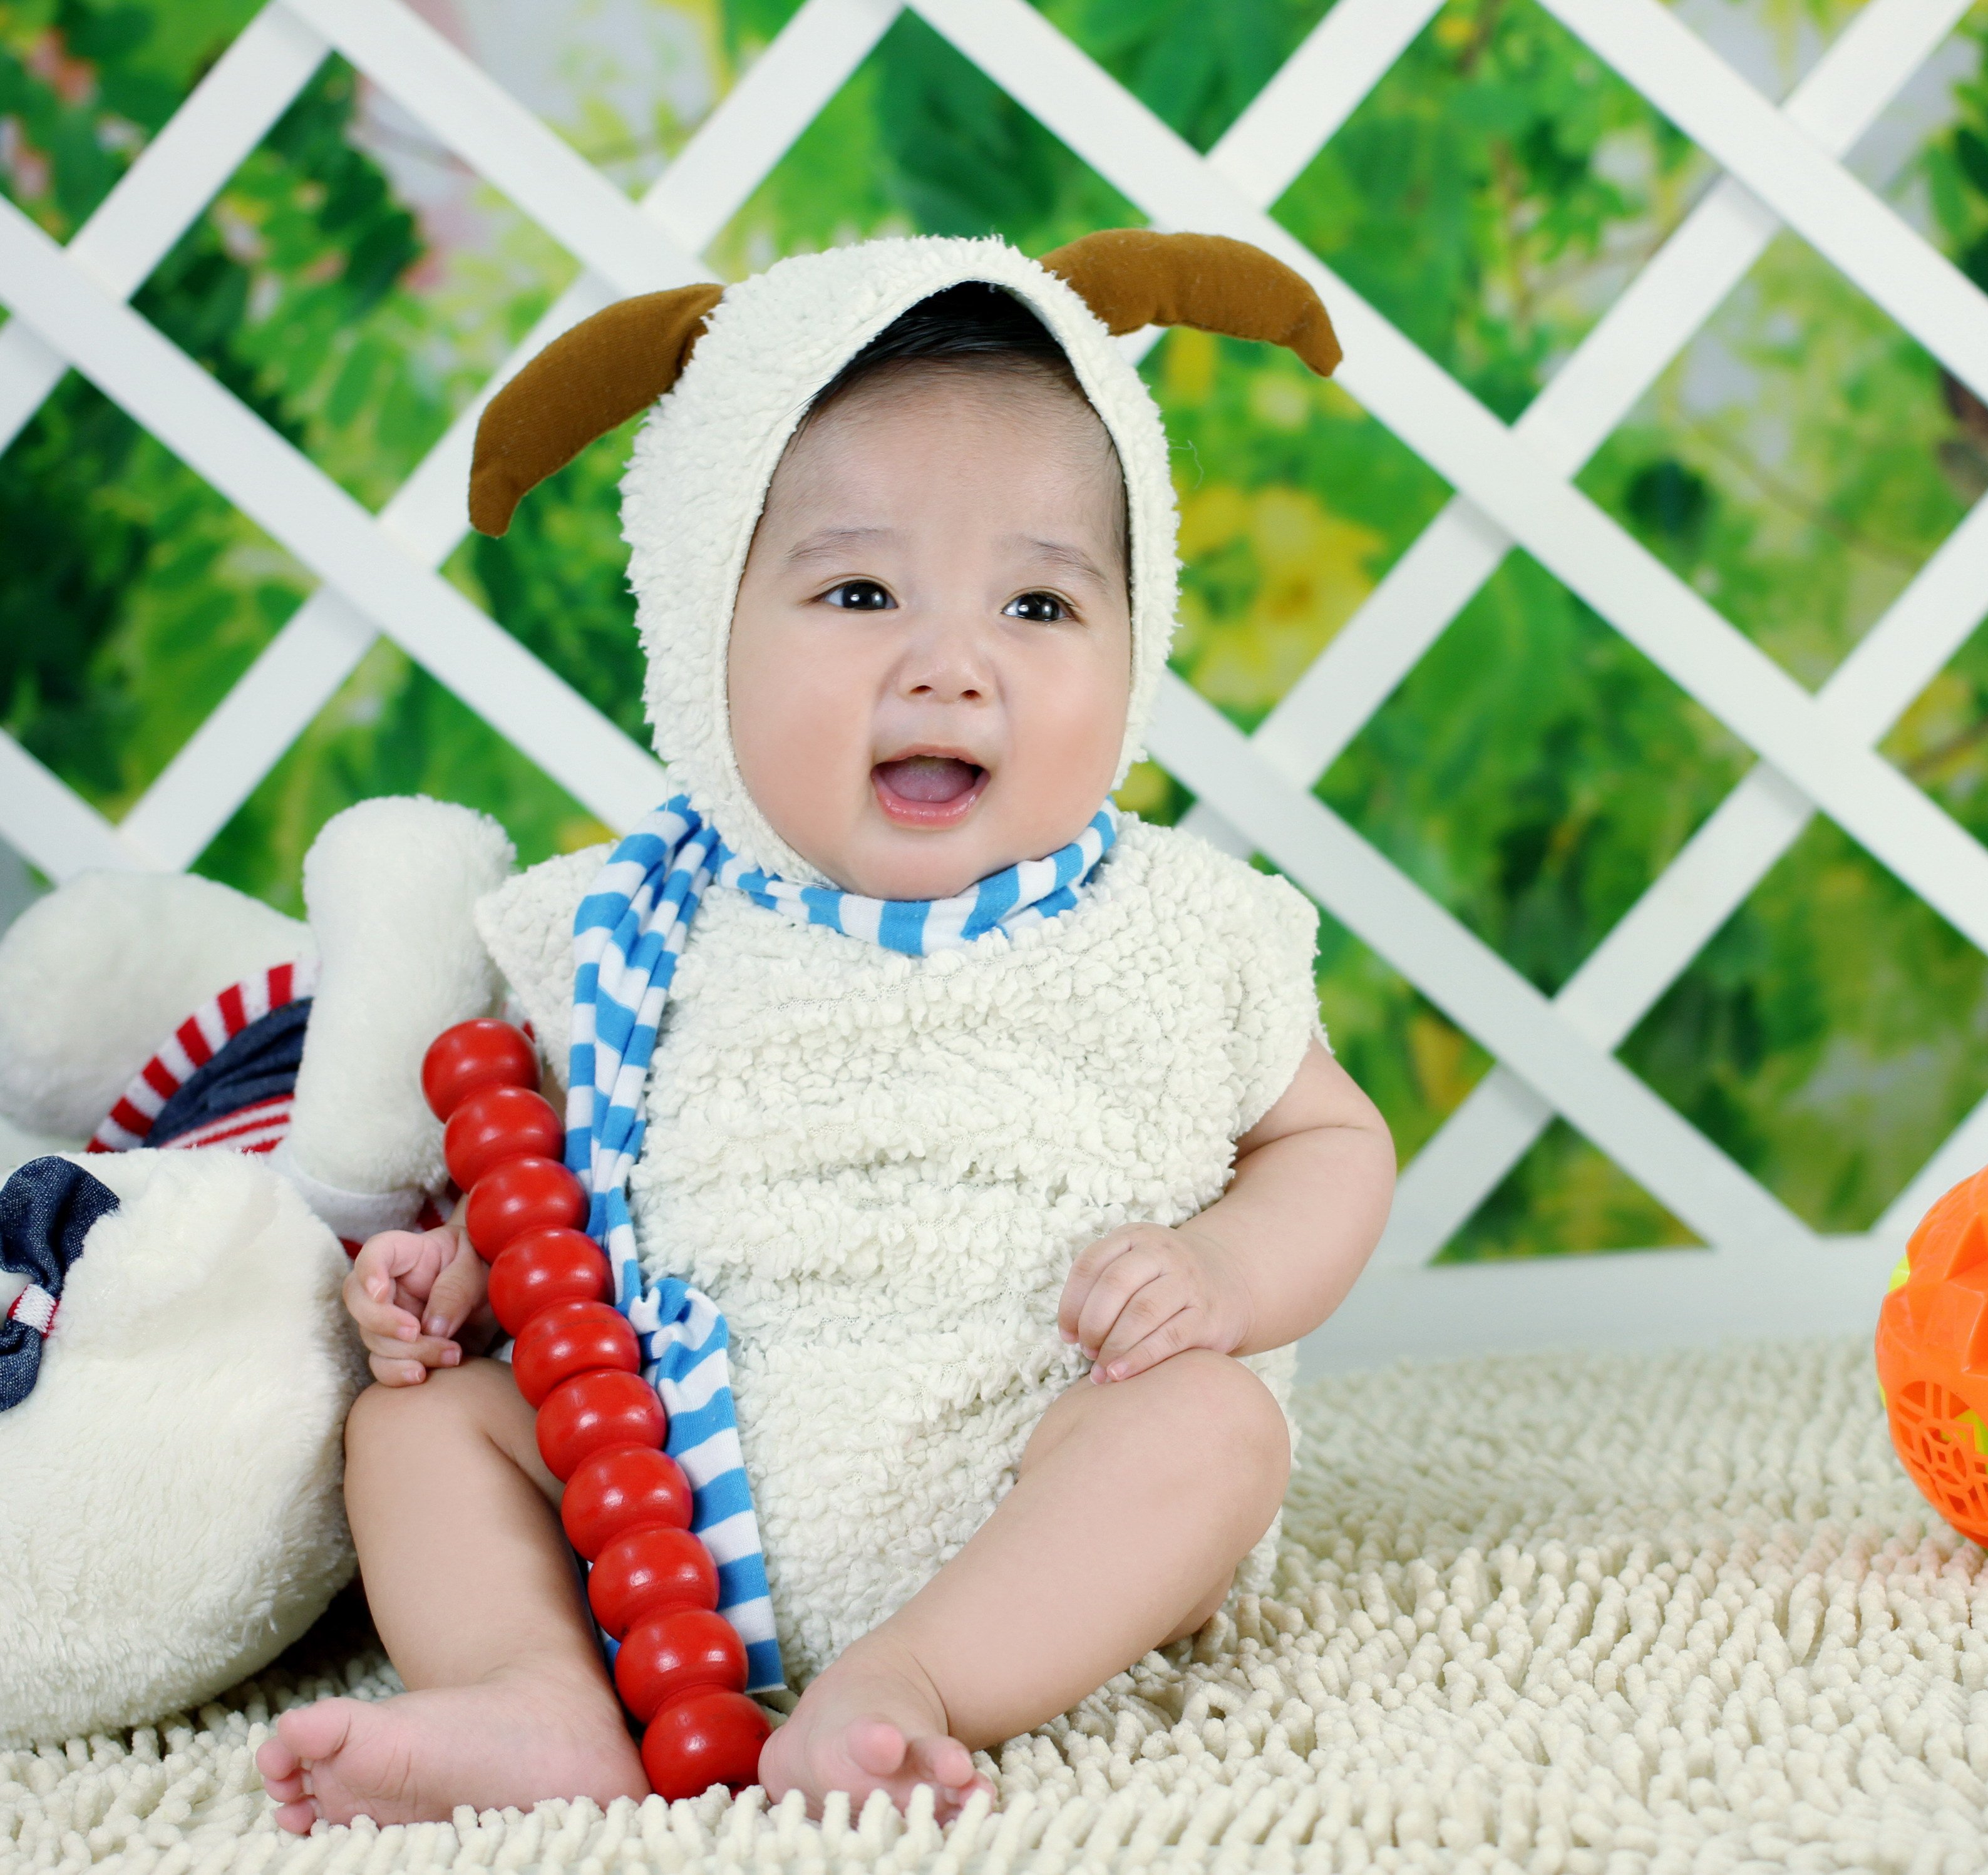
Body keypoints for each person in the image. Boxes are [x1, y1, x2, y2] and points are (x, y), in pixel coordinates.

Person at [253, 235, 1394, 1832]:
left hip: (1023, 1465)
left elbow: (1328, 1145)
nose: (951, 662)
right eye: (858, 591)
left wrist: (1224, 1275)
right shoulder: (622, 932)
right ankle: (530, 1691)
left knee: (1210, 1432)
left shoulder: (1181, 928)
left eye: (1040, 600)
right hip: (641, 1481)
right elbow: (548, 1184)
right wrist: (461, 1271)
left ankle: (918, 1679)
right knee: (421, 1428)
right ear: (699, 633)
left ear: (1139, 647)